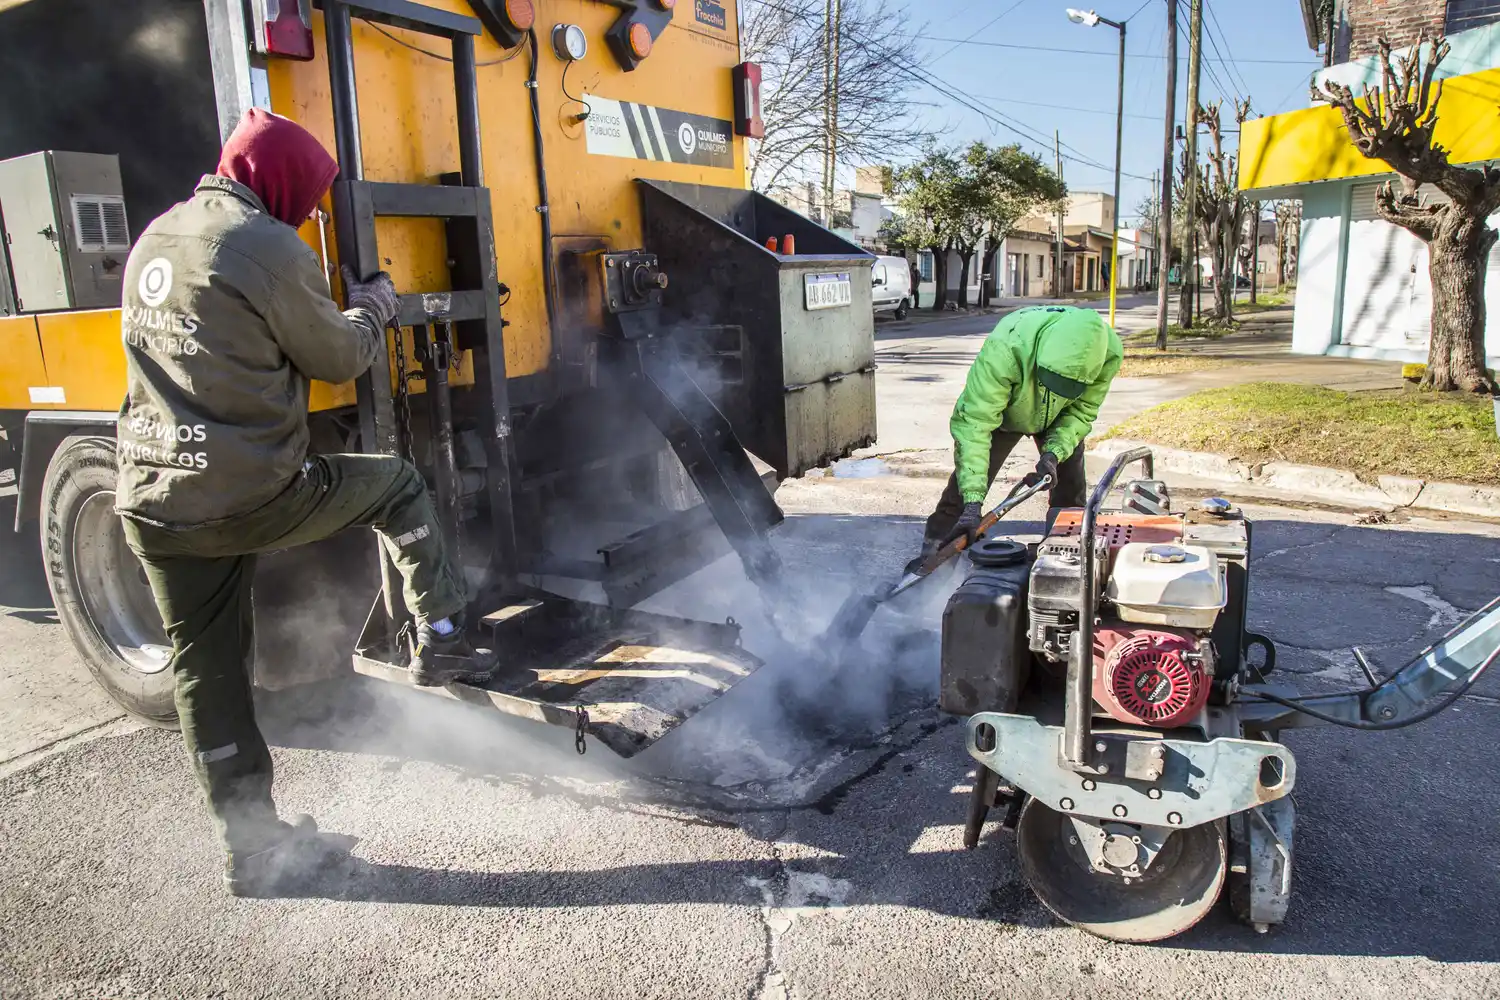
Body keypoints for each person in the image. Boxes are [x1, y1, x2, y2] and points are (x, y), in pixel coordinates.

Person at [115, 108, 497, 896]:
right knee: (396, 484)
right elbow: (338, 354)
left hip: (153, 499)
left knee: (207, 672)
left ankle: (252, 848)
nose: (311, 211)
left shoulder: (157, 235)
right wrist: (374, 306)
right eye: (310, 194)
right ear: (279, 179)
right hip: (247, 491)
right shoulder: (264, 244)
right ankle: (444, 634)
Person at [907, 305, 1123, 571]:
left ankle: (1067, 557)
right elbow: (975, 423)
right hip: (1005, 413)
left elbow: (1082, 412)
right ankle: (934, 555)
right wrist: (973, 504)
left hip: (1061, 415)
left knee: (1070, 492)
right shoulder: (1007, 347)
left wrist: (1053, 454)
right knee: (965, 489)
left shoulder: (1108, 354)